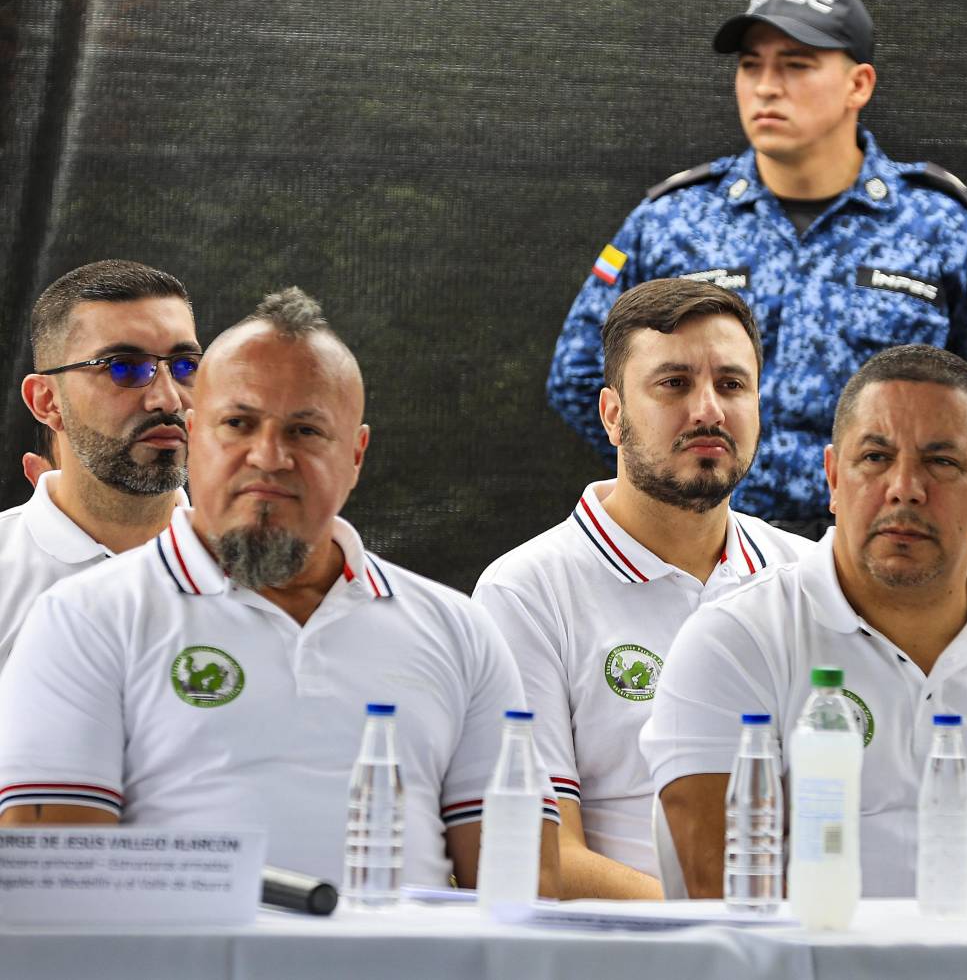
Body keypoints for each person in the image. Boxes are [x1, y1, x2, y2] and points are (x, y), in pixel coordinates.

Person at [0, 287, 560, 893]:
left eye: (306, 430)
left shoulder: (460, 631)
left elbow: (524, 888)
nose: (269, 457)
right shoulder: (83, 619)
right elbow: (58, 896)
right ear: (195, 436)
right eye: (238, 424)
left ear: (355, 454)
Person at [547, 0, 967, 537]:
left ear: (859, 85)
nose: (766, 86)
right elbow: (580, 374)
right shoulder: (672, 222)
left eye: (796, 65)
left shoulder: (943, 226)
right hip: (714, 550)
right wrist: (679, 481)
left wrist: (909, 491)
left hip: (872, 553)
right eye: (751, 65)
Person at [640, 343, 967, 897]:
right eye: (875, 457)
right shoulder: (736, 642)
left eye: (941, 462)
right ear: (832, 476)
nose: (905, 489)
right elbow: (725, 909)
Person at [475, 279, 810, 898]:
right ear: (612, 415)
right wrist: (715, 926)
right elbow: (541, 855)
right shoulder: (526, 591)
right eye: (674, 384)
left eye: (732, 385)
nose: (708, 409)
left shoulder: (809, 580)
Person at [0, 260, 197, 669]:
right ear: (46, 401)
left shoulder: (253, 572)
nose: (168, 399)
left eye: (184, 366)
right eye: (123, 367)